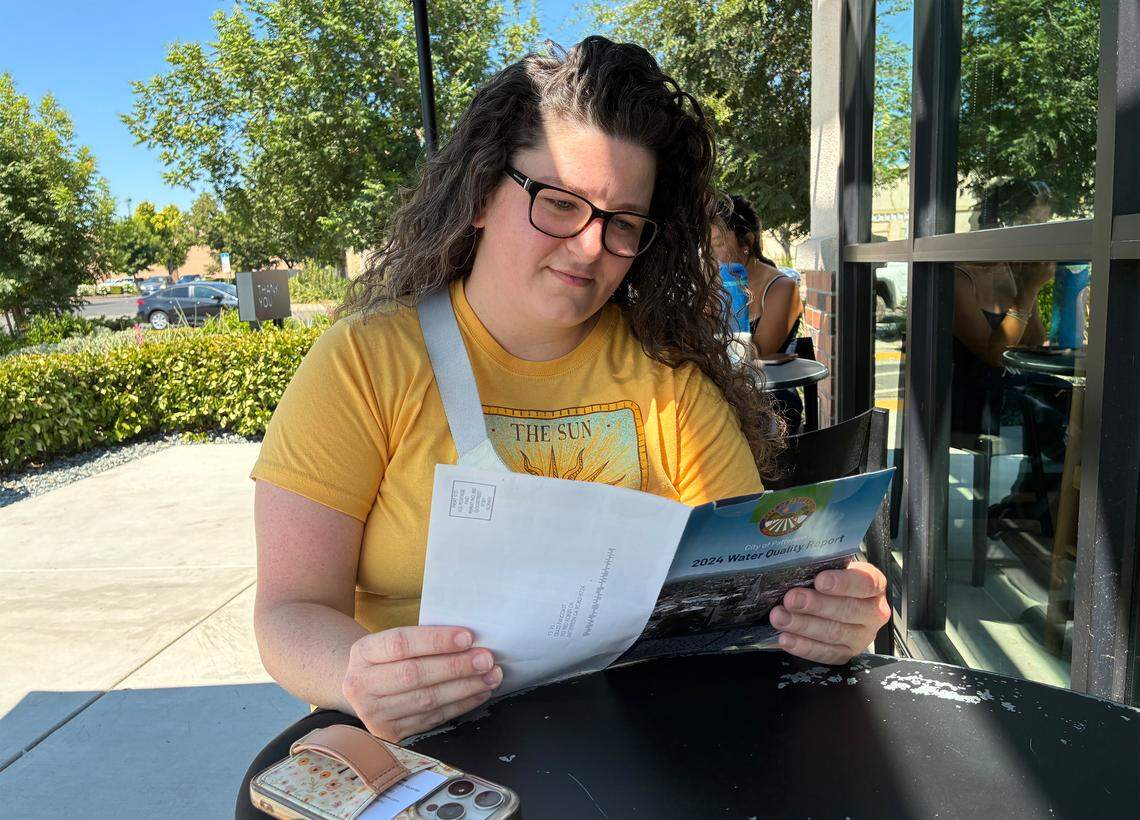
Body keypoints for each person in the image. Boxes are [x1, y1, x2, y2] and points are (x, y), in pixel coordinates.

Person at [236, 37, 889, 817]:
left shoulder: (671, 380)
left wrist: (832, 608)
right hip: (427, 768)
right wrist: (358, 671)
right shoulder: (367, 362)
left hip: (635, 760)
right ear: (481, 193)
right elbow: (287, 612)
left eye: (623, 222)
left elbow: (746, 590)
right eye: (559, 202)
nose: (590, 248)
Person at [711, 194, 805, 432]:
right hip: (725, 400)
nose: (711, 255)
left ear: (747, 242)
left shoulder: (783, 288)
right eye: (707, 246)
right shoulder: (717, 286)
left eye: (719, 243)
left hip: (772, 407)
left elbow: (752, 353)